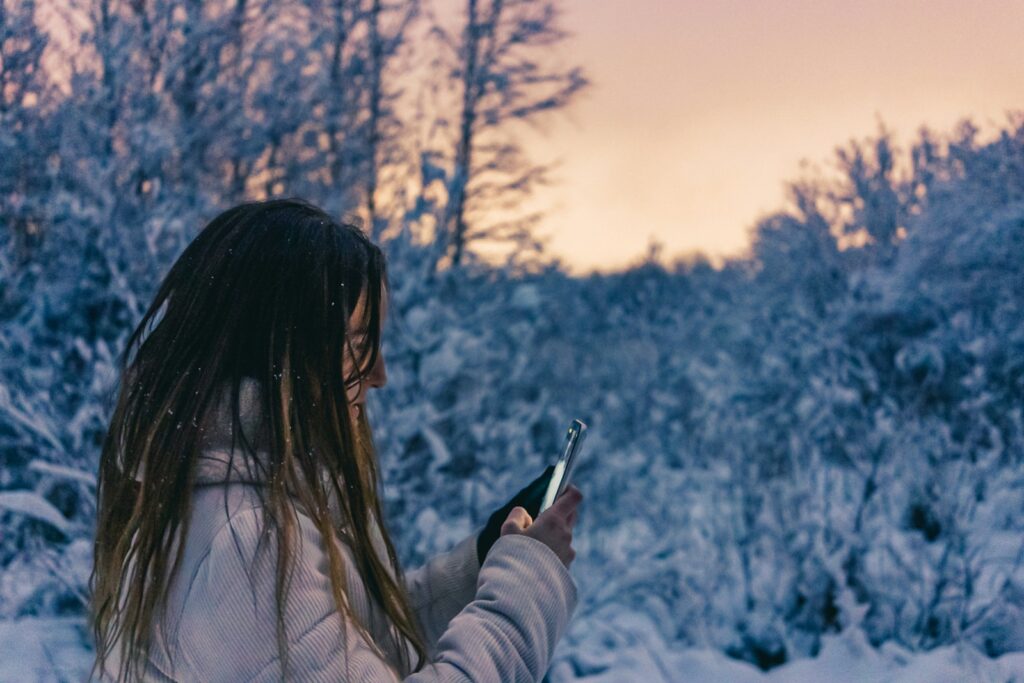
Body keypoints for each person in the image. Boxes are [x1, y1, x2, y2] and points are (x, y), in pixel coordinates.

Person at [88, 198, 583, 682]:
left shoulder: (245, 498)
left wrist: (480, 562)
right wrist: (526, 585)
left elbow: (353, 645)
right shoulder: (247, 539)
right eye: (361, 347)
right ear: (286, 350)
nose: (380, 375)